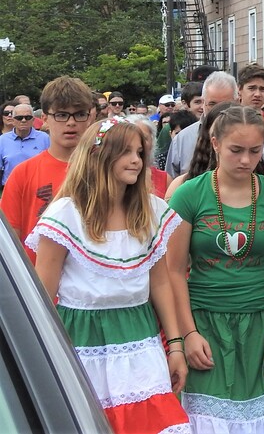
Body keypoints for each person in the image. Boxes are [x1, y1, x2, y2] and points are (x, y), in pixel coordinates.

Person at [28, 117, 191, 433]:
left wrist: (175, 345)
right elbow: (43, 297)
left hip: (140, 338)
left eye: (139, 153)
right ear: (100, 156)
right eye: (126, 152)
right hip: (82, 340)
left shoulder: (149, 212)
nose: (136, 161)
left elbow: (159, 282)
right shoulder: (66, 216)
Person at [167, 105, 264, 432]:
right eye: (235, 150)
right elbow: (173, 270)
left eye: (254, 152)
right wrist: (188, 334)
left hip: (262, 321)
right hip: (205, 320)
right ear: (215, 144)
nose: (245, 160)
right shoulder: (188, 196)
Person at [2, 76, 97, 262]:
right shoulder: (23, 173)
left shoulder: (105, 169)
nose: (71, 122)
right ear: (45, 118)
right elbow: (9, 241)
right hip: (38, 283)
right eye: (61, 115)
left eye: (79, 114)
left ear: (90, 117)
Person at [167, 72, 238, 180]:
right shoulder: (182, 140)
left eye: (225, 105)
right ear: (203, 103)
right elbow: (169, 185)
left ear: (237, 102)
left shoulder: (251, 138)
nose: (218, 110)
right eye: (212, 104)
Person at [1, 102, 51, 187]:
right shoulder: (2, 140)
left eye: (28, 117)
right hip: (10, 188)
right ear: (13, 120)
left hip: (38, 188)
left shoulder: (45, 138)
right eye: (19, 118)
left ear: (33, 120)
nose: (23, 120)